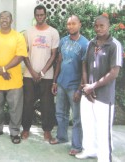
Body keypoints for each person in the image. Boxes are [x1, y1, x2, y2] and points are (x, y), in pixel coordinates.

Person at [75, 15, 123, 162]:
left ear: (108, 26)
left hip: (103, 96)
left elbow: (114, 72)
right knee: (88, 125)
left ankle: (104, 157)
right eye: (96, 26)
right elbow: (84, 64)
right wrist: (86, 87)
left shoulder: (115, 45)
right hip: (88, 94)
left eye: (101, 26)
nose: (98, 28)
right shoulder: (91, 43)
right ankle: (89, 150)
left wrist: (93, 86)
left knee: (103, 129)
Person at [0, 11, 27, 144]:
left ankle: (15, 132)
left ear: (11, 20)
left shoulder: (18, 37)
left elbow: (20, 56)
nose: (4, 20)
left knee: (15, 108)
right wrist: (1, 70)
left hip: (14, 81)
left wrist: (4, 68)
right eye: (2, 17)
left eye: (7, 17)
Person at [49, 15, 88, 156]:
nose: (70, 26)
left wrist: (80, 89)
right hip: (61, 84)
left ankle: (77, 146)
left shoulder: (85, 44)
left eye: (73, 23)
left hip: (74, 87)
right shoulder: (63, 41)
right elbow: (59, 62)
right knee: (60, 113)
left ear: (79, 24)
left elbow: (86, 70)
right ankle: (61, 137)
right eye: (68, 24)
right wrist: (55, 81)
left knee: (77, 118)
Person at [22, 5, 59, 141]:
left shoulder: (53, 32)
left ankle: (47, 131)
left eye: (42, 15)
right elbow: (24, 54)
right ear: (34, 16)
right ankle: (26, 129)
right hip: (29, 75)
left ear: (46, 15)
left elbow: (53, 55)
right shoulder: (28, 32)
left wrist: (42, 72)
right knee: (27, 103)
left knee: (47, 104)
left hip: (47, 76)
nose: (40, 17)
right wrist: (32, 71)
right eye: (37, 15)